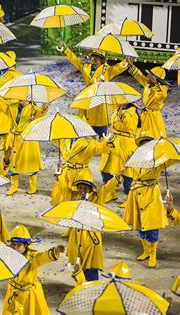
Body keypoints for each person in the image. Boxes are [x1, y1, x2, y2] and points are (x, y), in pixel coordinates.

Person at [60, 42, 129, 137]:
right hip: (87, 97)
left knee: (100, 126)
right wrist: (66, 49)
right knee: (85, 124)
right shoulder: (85, 67)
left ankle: (102, 143)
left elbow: (118, 68)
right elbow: (75, 60)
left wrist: (126, 62)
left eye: (97, 57)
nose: (93, 59)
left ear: (102, 60)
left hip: (99, 101)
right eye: (93, 57)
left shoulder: (107, 70)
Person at [122, 136, 170, 268]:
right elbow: (126, 170)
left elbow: (169, 161)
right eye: (142, 145)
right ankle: (146, 250)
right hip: (136, 194)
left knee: (152, 225)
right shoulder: (134, 159)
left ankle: (153, 253)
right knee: (140, 224)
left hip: (151, 195)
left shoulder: (158, 161)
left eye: (147, 145)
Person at [66, 176, 121, 282]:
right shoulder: (77, 199)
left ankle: (92, 286)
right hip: (76, 236)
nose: (82, 191)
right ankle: (80, 286)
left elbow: (107, 187)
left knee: (90, 264)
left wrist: (118, 176)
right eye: (80, 188)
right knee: (77, 265)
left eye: (85, 188)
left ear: (90, 188)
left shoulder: (98, 197)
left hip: (91, 236)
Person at [1, 224, 65, 314]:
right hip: (13, 292)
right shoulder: (9, 254)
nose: (15, 247)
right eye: (13, 244)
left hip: (28, 295)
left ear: (26, 245)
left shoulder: (33, 257)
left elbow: (43, 257)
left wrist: (56, 251)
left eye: (18, 245)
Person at [1, 101, 48, 196]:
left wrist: (43, 109)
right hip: (14, 137)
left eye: (23, 97)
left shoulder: (34, 109)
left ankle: (33, 186)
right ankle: (14, 186)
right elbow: (2, 107)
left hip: (28, 139)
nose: (20, 99)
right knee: (13, 163)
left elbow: (41, 117)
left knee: (30, 163)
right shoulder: (12, 106)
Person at [50, 137, 110, 205]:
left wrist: (107, 140)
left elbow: (102, 148)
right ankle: (64, 209)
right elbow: (53, 139)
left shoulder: (89, 142)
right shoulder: (63, 138)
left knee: (79, 195)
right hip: (66, 171)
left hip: (80, 173)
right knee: (64, 192)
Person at [99, 103, 139, 202]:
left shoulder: (132, 112)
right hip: (113, 139)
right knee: (106, 167)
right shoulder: (117, 108)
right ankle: (109, 192)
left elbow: (131, 126)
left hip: (125, 143)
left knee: (127, 170)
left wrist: (123, 118)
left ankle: (130, 195)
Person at [127, 61, 170, 139]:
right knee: (142, 137)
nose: (147, 77)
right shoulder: (148, 84)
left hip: (153, 118)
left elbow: (163, 95)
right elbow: (140, 76)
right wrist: (132, 66)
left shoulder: (161, 90)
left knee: (154, 138)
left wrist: (156, 84)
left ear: (155, 79)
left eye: (149, 76)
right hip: (145, 115)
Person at [0, 51, 20, 151]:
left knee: (6, 124)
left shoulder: (15, 74)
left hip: (7, 102)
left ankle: (7, 143)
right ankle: (3, 142)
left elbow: (19, 88)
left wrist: (13, 100)